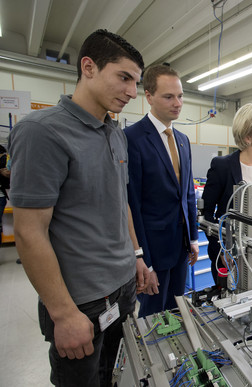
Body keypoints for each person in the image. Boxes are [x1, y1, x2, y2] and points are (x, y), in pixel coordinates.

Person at [8, 29, 149, 387]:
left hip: (123, 288)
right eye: (124, 77)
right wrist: (64, 313)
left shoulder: (114, 131)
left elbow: (122, 203)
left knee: (117, 376)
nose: (133, 92)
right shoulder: (42, 132)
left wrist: (135, 255)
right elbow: (29, 231)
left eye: (136, 81)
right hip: (81, 301)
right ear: (88, 67)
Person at [125, 64, 199, 317]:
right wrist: (143, 260)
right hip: (153, 249)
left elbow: (187, 194)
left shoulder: (183, 140)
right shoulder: (132, 139)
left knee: (178, 308)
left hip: (181, 247)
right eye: (168, 96)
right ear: (149, 97)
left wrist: (193, 238)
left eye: (180, 96)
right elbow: (132, 205)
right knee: (154, 314)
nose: (177, 103)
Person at [202, 102, 252, 286]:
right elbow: (207, 213)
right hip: (230, 255)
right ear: (247, 137)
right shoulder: (222, 166)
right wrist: (223, 248)